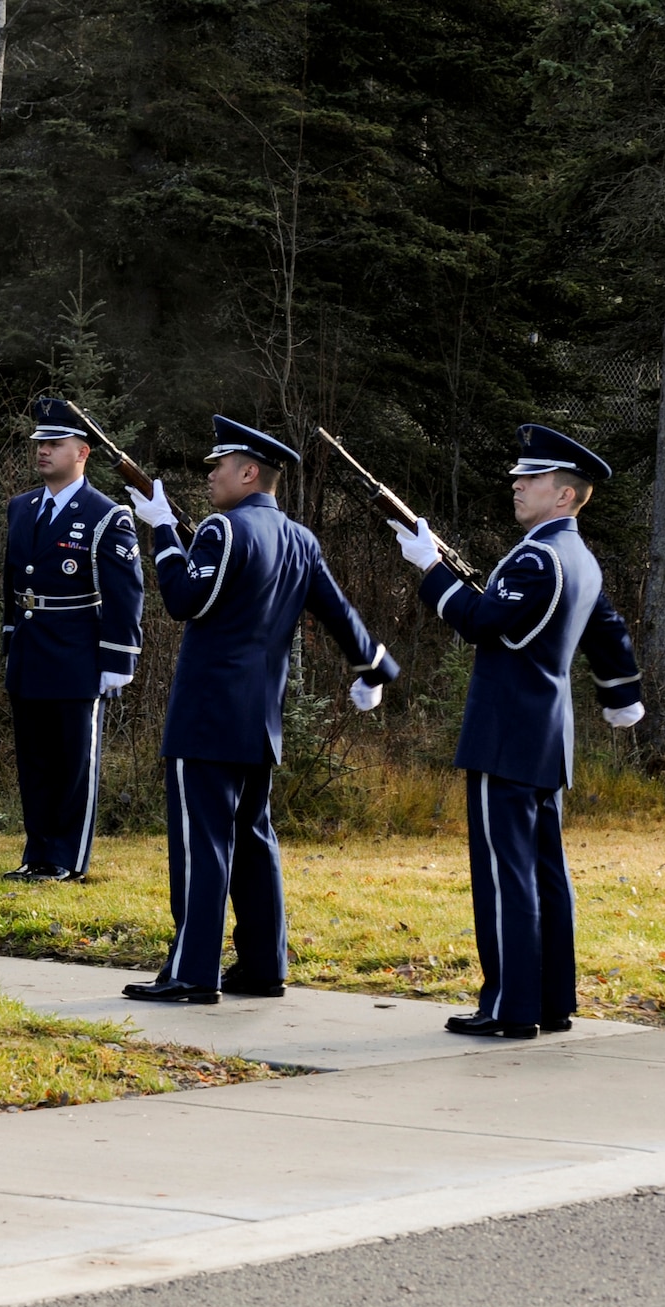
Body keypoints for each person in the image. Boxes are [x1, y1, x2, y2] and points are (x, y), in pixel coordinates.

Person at [123, 416, 398, 1003]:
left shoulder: (224, 530)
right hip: (258, 718)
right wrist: (373, 666)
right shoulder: (301, 540)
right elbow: (338, 612)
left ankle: (191, 973)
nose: (211, 479)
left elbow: (182, 599)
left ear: (249, 472)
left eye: (218, 467)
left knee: (202, 847)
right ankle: (262, 966)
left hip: (206, 716)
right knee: (252, 840)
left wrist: (165, 530)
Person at [391, 425, 642, 1038]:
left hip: (506, 734)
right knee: (544, 874)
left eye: (530, 479)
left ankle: (510, 1007)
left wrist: (430, 568)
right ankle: (550, 1001)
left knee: (507, 876)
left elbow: (482, 622)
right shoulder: (578, 555)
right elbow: (607, 627)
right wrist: (621, 693)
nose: (516, 486)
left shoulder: (538, 555)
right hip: (547, 736)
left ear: (564, 495)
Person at [0, 397, 144, 882]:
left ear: (82, 451)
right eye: (40, 442)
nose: (43, 451)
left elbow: (125, 591)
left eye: (55, 443)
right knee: (35, 762)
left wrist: (119, 656)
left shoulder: (106, 514)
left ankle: (66, 858)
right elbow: (11, 580)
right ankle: (36, 853)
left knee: (71, 764)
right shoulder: (21, 507)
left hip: (77, 653)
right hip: (30, 649)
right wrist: (8, 639)